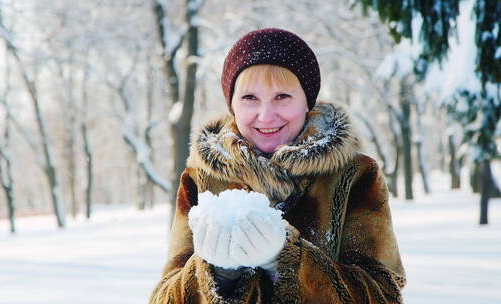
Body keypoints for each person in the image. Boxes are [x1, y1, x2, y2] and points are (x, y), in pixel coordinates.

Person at [149, 28, 406, 303]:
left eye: (282, 96)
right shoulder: (201, 181)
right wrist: (214, 274)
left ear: (307, 100)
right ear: (232, 105)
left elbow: (384, 295)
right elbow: (164, 297)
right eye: (249, 98)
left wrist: (287, 260)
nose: (266, 115)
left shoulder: (353, 176)